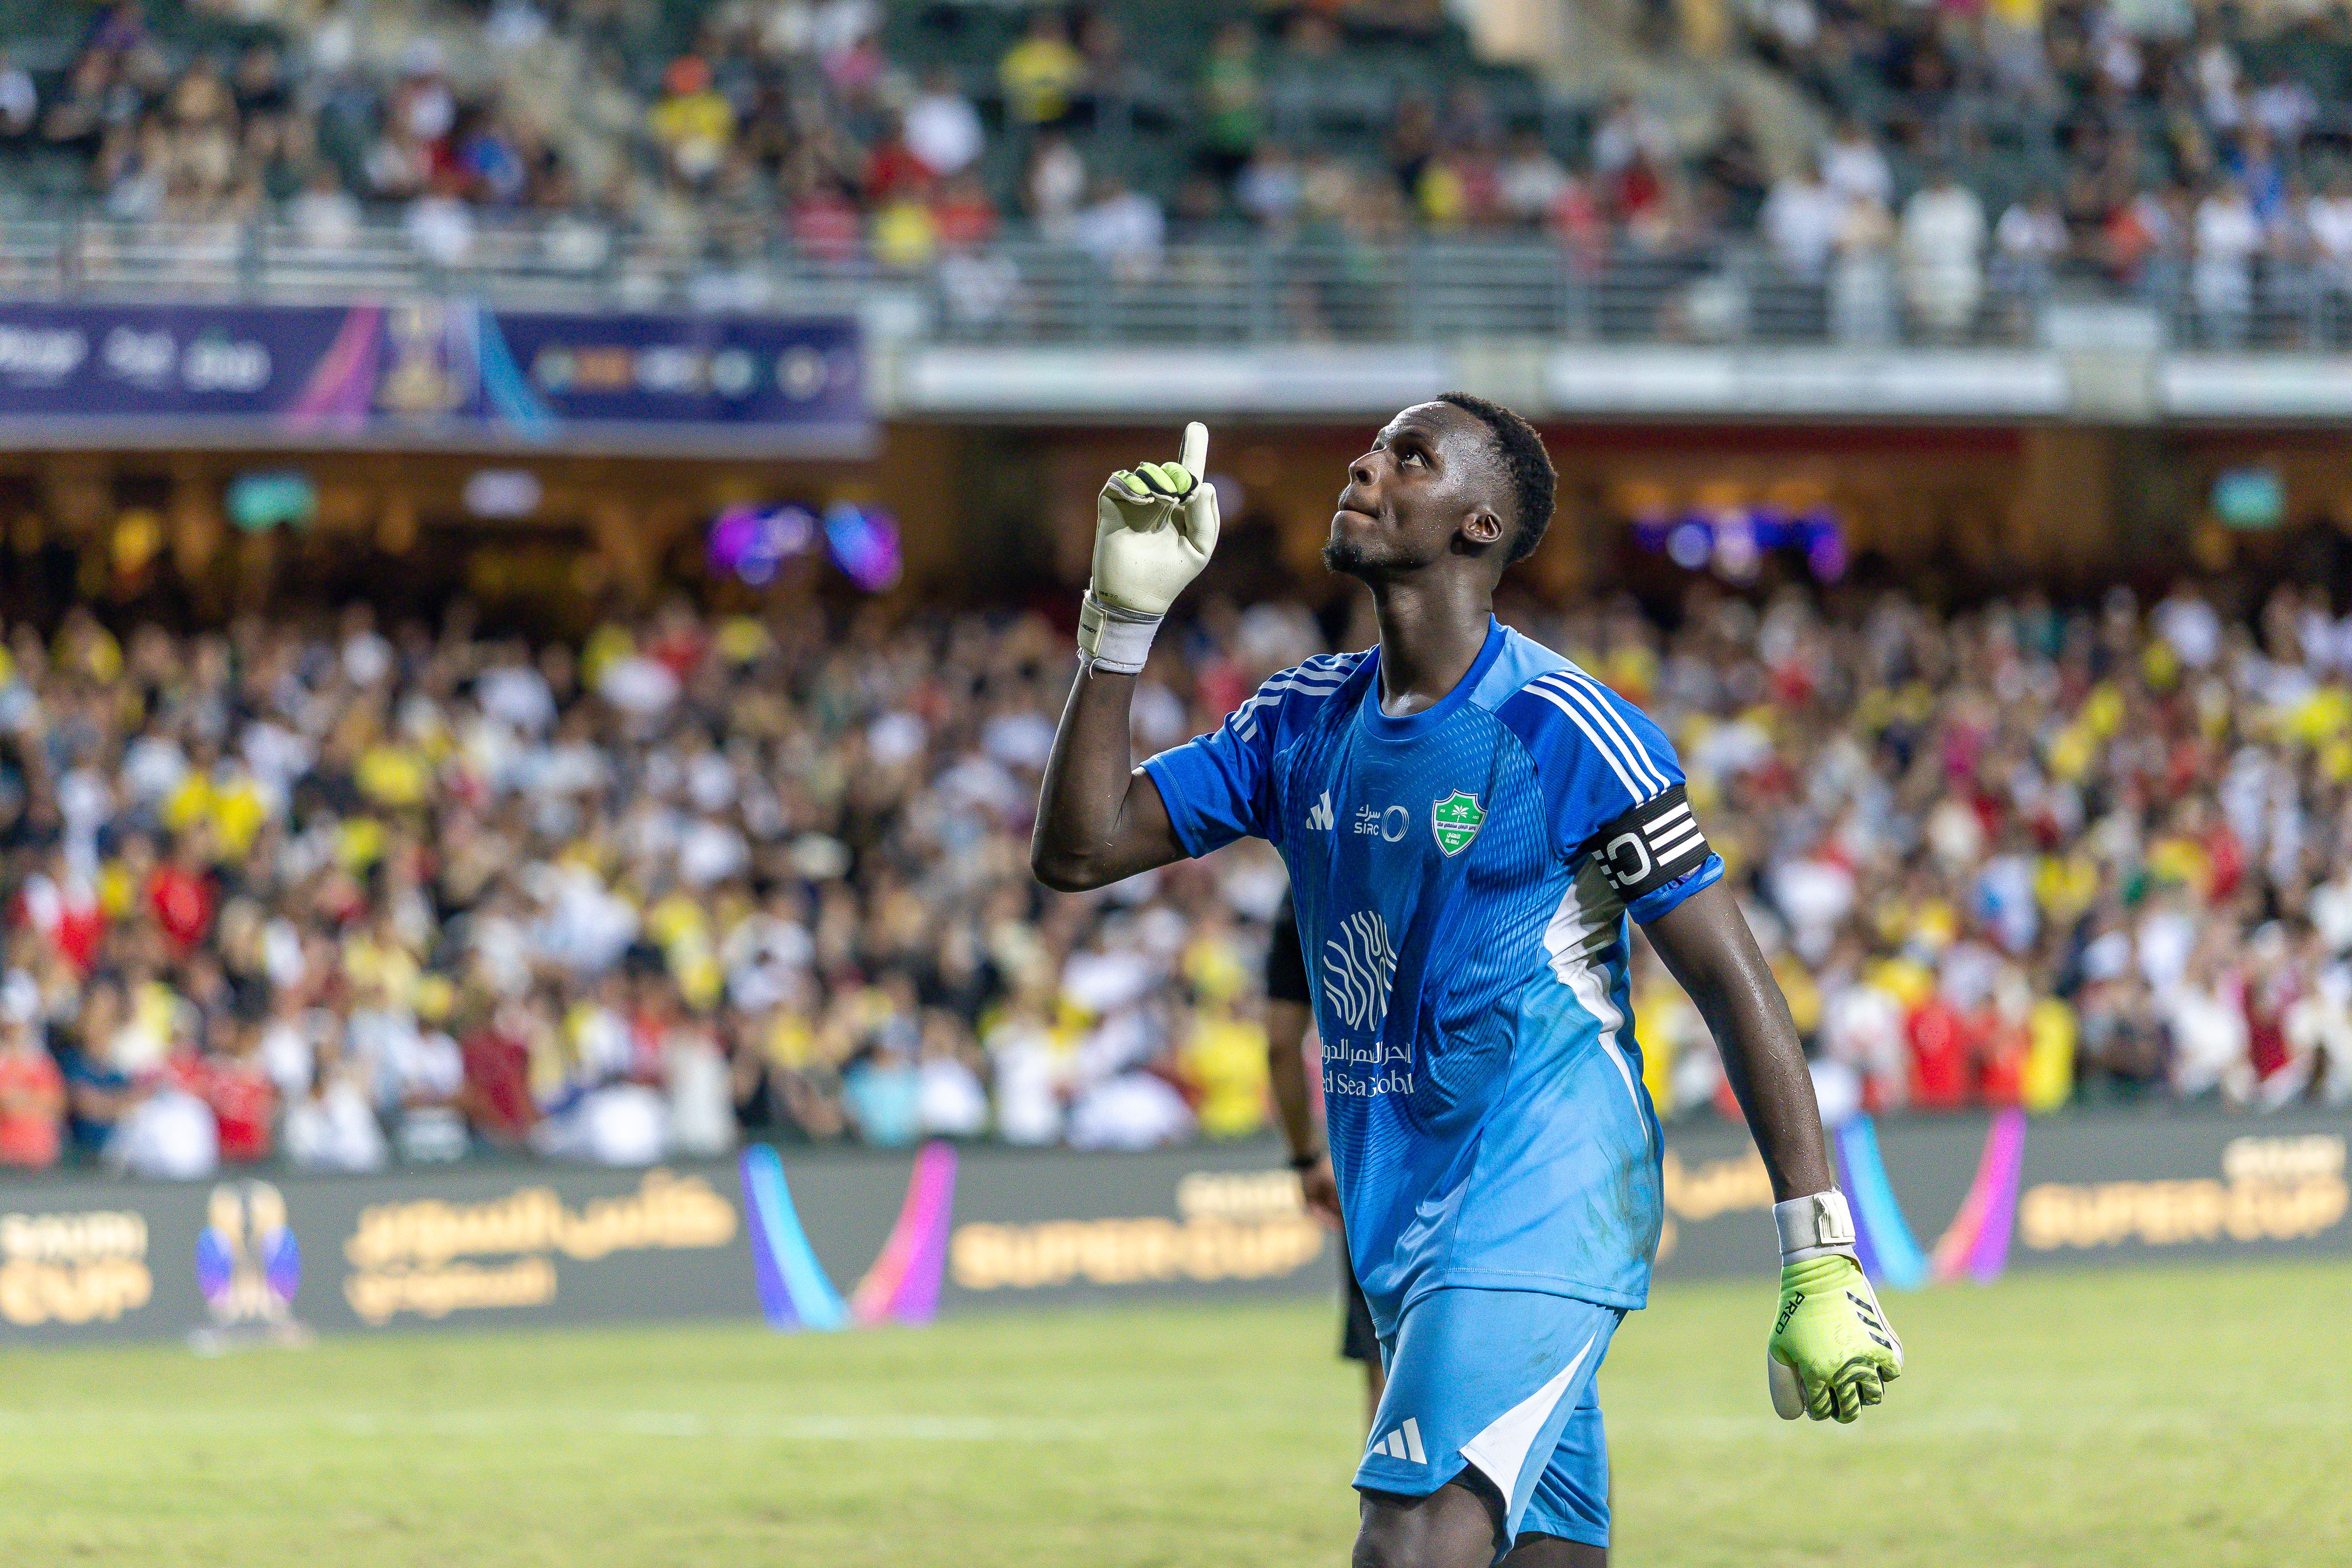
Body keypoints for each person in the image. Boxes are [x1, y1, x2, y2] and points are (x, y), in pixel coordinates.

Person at [1032, 406, 1903, 1566]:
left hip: (1544, 1192)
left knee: (1406, 1543)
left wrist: (1819, 1246)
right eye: (1372, 450)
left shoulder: (1566, 728)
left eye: (1411, 459)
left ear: (1477, 526)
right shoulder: (1298, 719)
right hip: (1405, 1215)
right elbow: (1081, 849)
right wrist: (1122, 625)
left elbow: (1731, 982)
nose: (1364, 464)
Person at [1264, 893, 1382, 1429]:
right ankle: (1578, 1516)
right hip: (1486, 1137)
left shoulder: (1306, 888)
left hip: (1374, 1157)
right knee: (1540, 1368)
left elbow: (1281, 1044)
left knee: (1387, 1360)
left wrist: (1306, 1158)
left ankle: (1395, 1510)